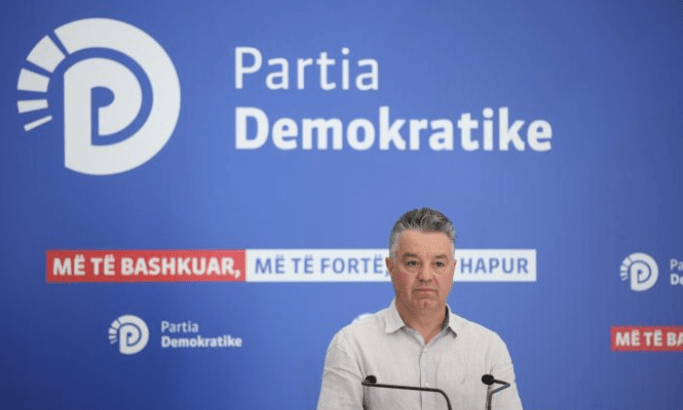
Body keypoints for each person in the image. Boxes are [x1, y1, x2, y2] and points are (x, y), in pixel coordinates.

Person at [317, 208, 523, 410]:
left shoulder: (489, 348)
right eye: (412, 263)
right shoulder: (352, 345)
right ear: (391, 267)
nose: (425, 276)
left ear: (452, 270)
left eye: (438, 264)